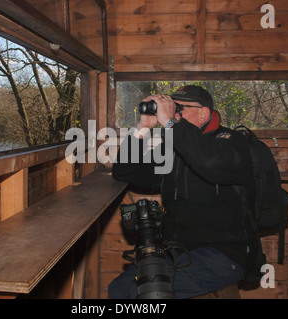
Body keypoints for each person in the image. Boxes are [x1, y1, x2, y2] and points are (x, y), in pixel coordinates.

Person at [109, 85, 261, 299]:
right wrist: (143, 128)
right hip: (179, 250)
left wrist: (170, 123)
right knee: (119, 289)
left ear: (204, 113)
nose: (174, 113)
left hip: (224, 254)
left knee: (143, 292)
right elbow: (125, 171)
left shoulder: (231, 143)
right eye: (172, 108)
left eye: (180, 108)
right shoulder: (173, 148)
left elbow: (207, 162)